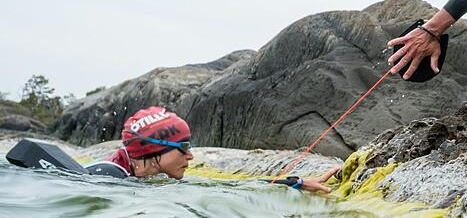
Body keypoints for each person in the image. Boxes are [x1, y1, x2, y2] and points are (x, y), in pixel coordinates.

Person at [85, 106, 340, 192]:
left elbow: (218, 187)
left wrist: (293, 183)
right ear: (154, 151)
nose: (191, 155)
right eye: (183, 147)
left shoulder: (147, 175)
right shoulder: (106, 177)